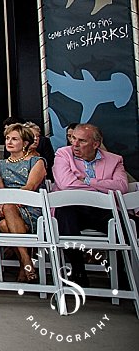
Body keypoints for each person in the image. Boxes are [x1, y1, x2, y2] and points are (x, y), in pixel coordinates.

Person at [52, 123, 128, 287]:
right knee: (65, 211)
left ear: (95, 144)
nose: (75, 145)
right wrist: (103, 187)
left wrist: (88, 181)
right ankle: (78, 270)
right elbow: (66, 184)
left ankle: (123, 273)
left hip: (101, 211)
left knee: (125, 222)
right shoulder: (63, 154)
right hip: (73, 209)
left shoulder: (114, 160)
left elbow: (122, 187)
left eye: (81, 141)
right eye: (73, 139)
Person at [0, 123, 46, 283]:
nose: (9, 142)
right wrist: (4, 203)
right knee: (7, 214)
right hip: (9, 207)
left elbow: (30, 186)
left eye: (15, 139)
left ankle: (24, 264)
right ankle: (26, 262)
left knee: (5, 225)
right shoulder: (0, 165)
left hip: (30, 206)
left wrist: (11, 202)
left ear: (25, 143)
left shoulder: (36, 161)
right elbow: (1, 189)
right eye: (7, 138)